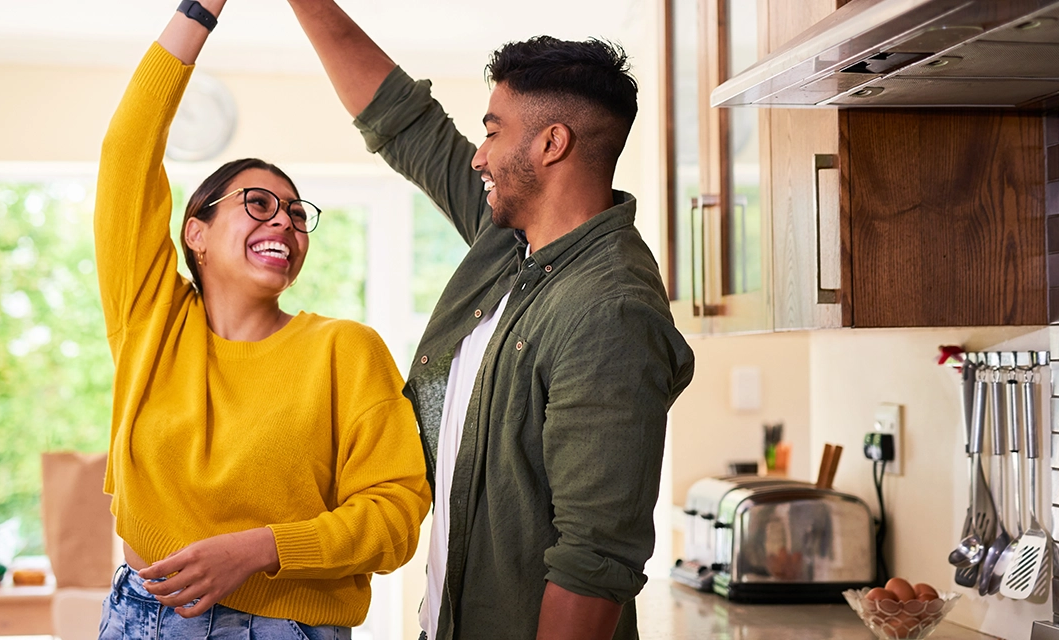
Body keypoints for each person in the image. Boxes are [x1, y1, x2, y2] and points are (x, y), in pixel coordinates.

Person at [285, 2, 696, 639]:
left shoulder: (609, 309)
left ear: (552, 143)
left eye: (493, 131)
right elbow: (404, 125)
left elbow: (595, 560)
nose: (478, 157)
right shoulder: (509, 245)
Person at [92, 1, 432, 638]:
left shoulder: (345, 351)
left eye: (297, 213)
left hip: (286, 629)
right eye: (258, 204)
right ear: (195, 231)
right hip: (139, 617)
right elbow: (125, 156)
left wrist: (259, 549)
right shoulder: (152, 322)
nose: (284, 221)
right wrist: (201, 8)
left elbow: (395, 515)